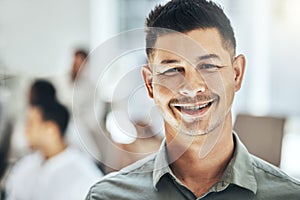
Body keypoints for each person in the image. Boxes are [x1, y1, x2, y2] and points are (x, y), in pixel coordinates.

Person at [86, 0, 300, 199]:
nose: (191, 87)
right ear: (150, 84)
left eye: (208, 66)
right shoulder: (108, 197)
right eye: (172, 70)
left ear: (237, 74)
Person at [5, 80, 103, 200]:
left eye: (30, 124)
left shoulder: (85, 176)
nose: (26, 131)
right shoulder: (25, 167)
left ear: (51, 129)